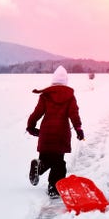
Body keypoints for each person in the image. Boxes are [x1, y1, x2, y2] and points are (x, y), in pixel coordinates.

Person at [26, 65, 84, 198]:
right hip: (61, 134)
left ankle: (39, 166)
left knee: (45, 158)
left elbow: (37, 113)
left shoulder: (45, 95)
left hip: (46, 133)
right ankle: (53, 188)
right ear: (66, 81)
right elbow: (74, 114)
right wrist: (78, 128)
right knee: (58, 163)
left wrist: (30, 126)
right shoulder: (69, 96)